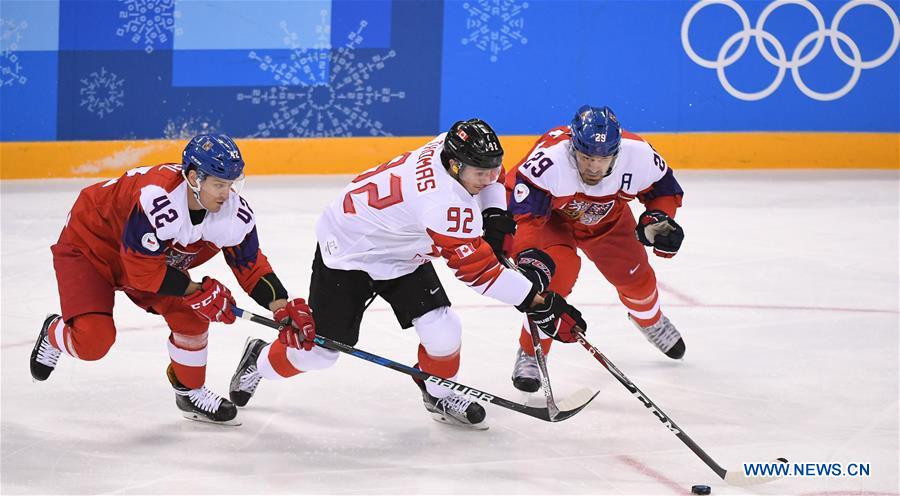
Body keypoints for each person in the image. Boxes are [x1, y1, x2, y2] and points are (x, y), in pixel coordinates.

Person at [228, 119, 586, 429]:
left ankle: (440, 394)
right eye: (482, 174)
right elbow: (480, 274)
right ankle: (258, 361)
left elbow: (493, 176)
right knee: (318, 354)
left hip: (399, 250)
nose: (491, 178)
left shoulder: (453, 148)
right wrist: (539, 304)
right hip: (350, 253)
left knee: (444, 329)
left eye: (493, 169)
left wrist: (494, 217)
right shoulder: (442, 204)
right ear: (456, 167)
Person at [29, 134, 315, 425]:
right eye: (219, 184)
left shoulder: (231, 213)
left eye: (231, 184)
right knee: (94, 342)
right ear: (194, 177)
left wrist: (281, 307)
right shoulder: (158, 198)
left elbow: (250, 263)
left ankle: (189, 392)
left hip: (150, 258)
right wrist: (196, 290)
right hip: (93, 247)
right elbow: (140, 270)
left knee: (191, 315)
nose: (226, 194)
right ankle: (53, 333)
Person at [503, 105, 686, 393]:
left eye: (603, 158)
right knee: (555, 278)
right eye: (586, 157)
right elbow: (525, 216)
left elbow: (663, 190)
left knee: (636, 279)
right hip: (550, 219)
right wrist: (526, 255)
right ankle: (530, 352)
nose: (593, 167)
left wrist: (660, 218)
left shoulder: (637, 155)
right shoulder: (549, 161)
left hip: (608, 220)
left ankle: (650, 321)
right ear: (573, 146)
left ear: (617, 150)